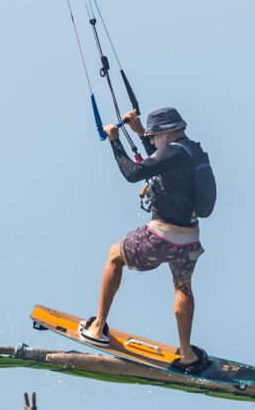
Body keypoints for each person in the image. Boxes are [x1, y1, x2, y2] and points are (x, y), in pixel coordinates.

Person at [80, 107, 212, 374]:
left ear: (165, 133)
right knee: (183, 288)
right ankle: (187, 354)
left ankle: (96, 328)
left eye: (153, 137)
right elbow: (163, 162)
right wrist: (140, 132)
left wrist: (115, 141)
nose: (151, 141)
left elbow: (133, 173)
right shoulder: (192, 150)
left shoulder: (172, 151)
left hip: (160, 236)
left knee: (114, 256)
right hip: (189, 240)